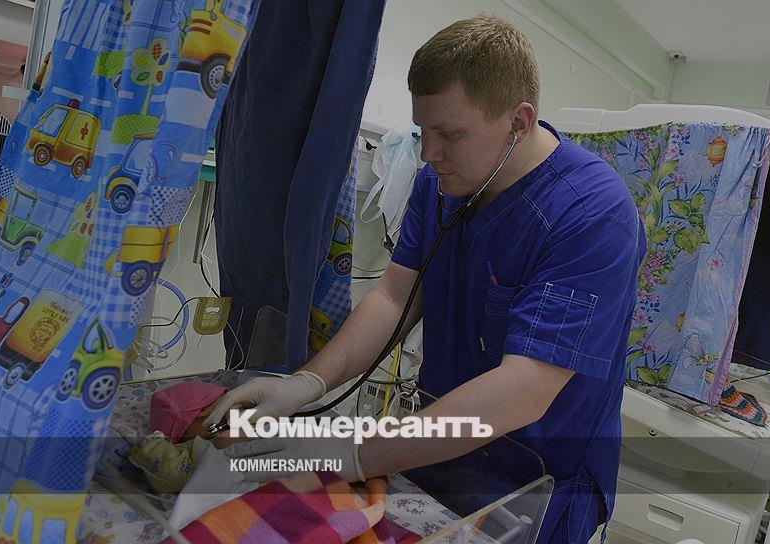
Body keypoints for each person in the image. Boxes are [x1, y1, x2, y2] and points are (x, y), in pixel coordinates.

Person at [207, 15, 645, 543]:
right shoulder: (440, 185)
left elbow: (523, 390)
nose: (428, 154)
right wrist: (306, 384)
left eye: (450, 135)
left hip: (536, 483)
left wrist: (351, 453)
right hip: (438, 451)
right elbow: (394, 297)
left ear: (519, 121)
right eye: (423, 132)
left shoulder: (592, 214)